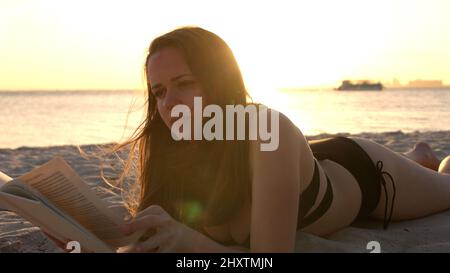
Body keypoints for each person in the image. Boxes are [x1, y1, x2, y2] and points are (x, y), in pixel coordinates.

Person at [50, 26, 450, 253]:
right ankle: (419, 155)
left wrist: (191, 242)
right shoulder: (171, 149)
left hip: (365, 175)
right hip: (295, 165)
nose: (168, 104)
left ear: (221, 83)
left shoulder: (266, 129)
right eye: (158, 92)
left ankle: (424, 158)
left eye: (184, 84)